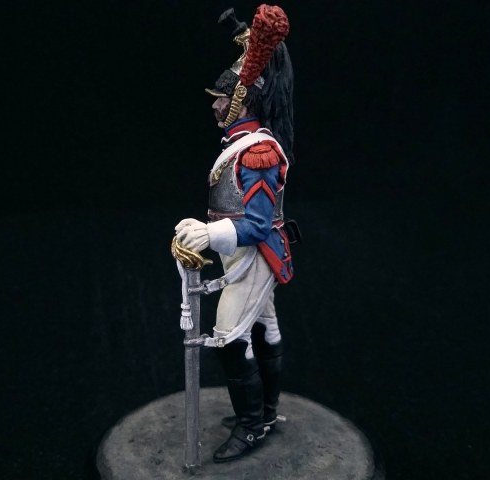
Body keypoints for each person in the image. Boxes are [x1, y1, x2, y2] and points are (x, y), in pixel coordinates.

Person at [174, 4, 296, 463]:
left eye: (221, 98)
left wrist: (209, 235)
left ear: (242, 100)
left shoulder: (258, 152)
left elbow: (259, 224)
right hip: (242, 255)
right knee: (264, 325)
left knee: (227, 336)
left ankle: (251, 427)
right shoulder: (240, 146)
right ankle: (264, 414)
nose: (214, 104)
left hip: (256, 254)